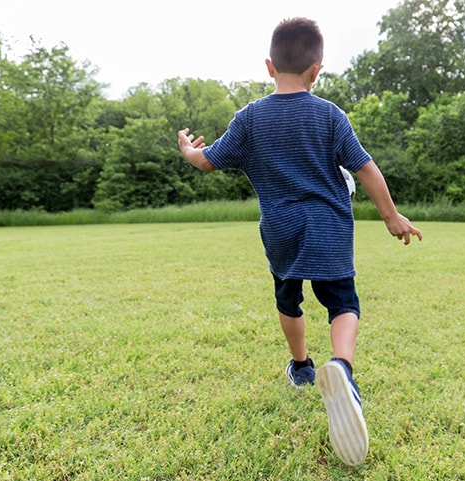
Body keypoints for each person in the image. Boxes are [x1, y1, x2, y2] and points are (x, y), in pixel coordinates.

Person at [177, 17, 422, 467]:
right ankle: (342, 369)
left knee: (289, 302)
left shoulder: (249, 118)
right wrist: (391, 216)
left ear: (270, 67)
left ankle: (303, 367)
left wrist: (188, 150)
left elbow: (208, 162)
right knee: (343, 304)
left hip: (281, 232)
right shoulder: (330, 115)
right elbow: (366, 168)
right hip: (329, 228)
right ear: (317, 71)